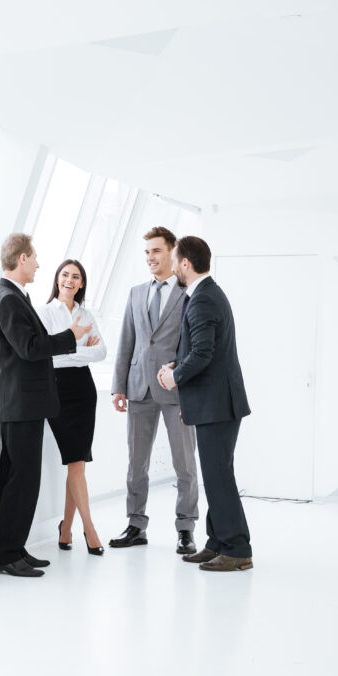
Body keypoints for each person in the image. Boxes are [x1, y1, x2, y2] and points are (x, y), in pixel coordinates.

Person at [0, 234, 92, 578]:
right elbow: (30, 347)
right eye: (34, 259)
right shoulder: (8, 299)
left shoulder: (13, 297)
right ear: (21, 259)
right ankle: (5, 554)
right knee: (22, 480)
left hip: (22, 404)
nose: (38, 265)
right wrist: (70, 337)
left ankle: (13, 548)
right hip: (20, 405)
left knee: (18, 479)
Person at [158, 235, 253, 571]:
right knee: (216, 474)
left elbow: (202, 353)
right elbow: (199, 351)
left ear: (185, 263)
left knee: (218, 476)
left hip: (218, 405)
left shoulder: (202, 300)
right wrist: (177, 365)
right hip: (216, 403)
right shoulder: (207, 294)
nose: (172, 267)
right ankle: (217, 542)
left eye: (174, 261)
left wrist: (174, 377)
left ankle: (238, 550)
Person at [109, 226, 200, 555]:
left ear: (172, 251)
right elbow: (126, 342)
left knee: (185, 463)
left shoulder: (186, 291)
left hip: (175, 390)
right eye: (146, 251)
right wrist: (118, 386)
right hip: (137, 389)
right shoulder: (135, 293)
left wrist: (184, 382)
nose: (150, 257)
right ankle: (136, 525)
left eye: (157, 251)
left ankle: (186, 528)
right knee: (137, 464)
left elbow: (193, 344)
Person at [36, 259, 107, 556]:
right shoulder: (45, 312)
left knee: (76, 462)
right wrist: (80, 349)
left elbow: (101, 351)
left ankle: (66, 530)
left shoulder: (86, 313)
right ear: (57, 279)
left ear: (81, 283)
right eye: (65, 275)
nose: (69, 280)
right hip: (57, 390)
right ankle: (89, 529)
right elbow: (47, 357)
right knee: (75, 462)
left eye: (75, 276)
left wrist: (69, 348)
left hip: (84, 391)